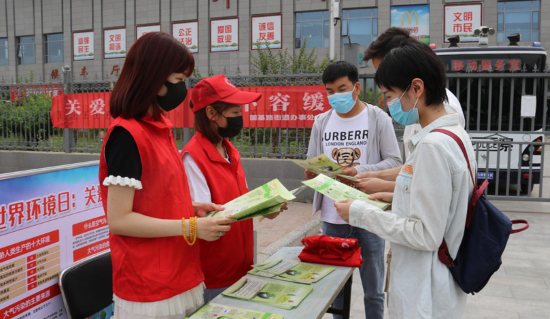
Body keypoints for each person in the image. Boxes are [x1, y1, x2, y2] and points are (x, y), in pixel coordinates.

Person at [334, 41, 476, 319]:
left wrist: (359, 212)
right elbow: (438, 205)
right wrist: (394, 197)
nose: (389, 104)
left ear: (417, 88)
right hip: (437, 281)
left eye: (390, 95)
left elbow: (425, 234)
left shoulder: (433, 146)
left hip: (425, 289)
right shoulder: (455, 135)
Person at [99, 33, 234, 319]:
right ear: (153, 79)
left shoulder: (159, 128)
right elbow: (119, 219)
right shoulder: (126, 135)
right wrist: (192, 227)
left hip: (180, 270)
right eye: (177, 79)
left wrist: (193, 210)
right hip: (149, 284)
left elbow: (157, 198)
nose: (182, 88)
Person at [305, 61, 402, 319]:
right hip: (333, 214)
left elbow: (395, 162)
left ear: (356, 87)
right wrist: (311, 172)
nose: (336, 96)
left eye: (342, 88)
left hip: (368, 211)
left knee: (373, 289)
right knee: (336, 290)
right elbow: (313, 160)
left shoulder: (377, 118)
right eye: (329, 91)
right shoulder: (321, 121)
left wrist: (359, 170)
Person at [181, 75, 286, 303]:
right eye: (235, 114)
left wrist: (267, 208)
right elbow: (206, 219)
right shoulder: (193, 158)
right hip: (215, 275)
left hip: (242, 266)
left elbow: (242, 201)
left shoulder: (230, 151)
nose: (241, 119)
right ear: (211, 114)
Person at [354, 28, 466, 197]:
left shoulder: (435, 137)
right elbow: (417, 169)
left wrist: (364, 210)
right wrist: (375, 176)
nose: (388, 100)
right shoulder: (420, 112)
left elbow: (426, 204)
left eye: (389, 93)